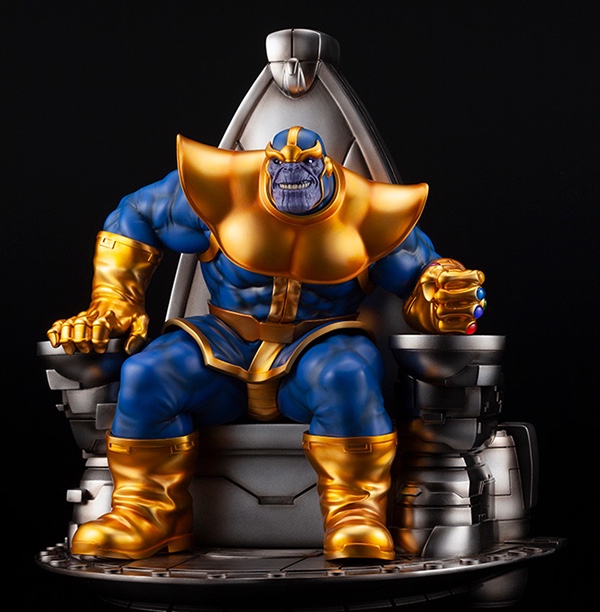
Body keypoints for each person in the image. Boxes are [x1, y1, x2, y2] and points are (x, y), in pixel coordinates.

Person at [48, 126, 486, 562]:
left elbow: (421, 274)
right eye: (280, 165)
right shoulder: (220, 188)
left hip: (318, 343)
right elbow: (135, 215)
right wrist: (114, 299)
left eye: (305, 165)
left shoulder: (368, 211)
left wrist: (442, 296)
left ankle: (355, 513)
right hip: (222, 341)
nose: (291, 174)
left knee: (347, 375)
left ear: (324, 168)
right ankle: (145, 512)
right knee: (148, 373)